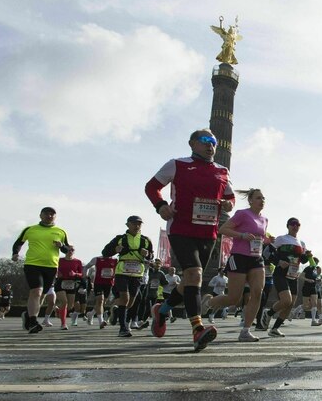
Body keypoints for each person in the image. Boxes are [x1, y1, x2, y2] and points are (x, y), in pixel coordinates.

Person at [146, 129, 234, 351]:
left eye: (213, 141)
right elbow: (152, 187)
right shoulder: (177, 164)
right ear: (192, 144)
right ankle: (197, 329)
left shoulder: (222, 171)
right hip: (181, 228)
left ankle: (162, 311)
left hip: (208, 232)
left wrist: (228, 204)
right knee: (194, 275)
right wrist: (161, 206)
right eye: (205, 141)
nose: (210, 145)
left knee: (190, 280)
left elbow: (230, 197)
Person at [214, 188, 270, 342]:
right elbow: (223, 229)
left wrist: (267, 241)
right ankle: (209, 302)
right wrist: (242, 235)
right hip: (239, 257)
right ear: (250, 200)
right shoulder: (242, 214)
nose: (262, 200)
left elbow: (259, 237)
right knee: (233, 298)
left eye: (263, 198)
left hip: (256, 258)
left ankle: (246, 330)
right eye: (258, 198)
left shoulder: (264, 219)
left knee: (258, 292)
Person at [12, 206, 71, 334]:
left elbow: (67, 249)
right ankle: (33, 321)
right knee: (36, 292)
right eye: (46, 214)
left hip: (51, 266)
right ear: (40, 215)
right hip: (33, 264)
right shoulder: (30, 229)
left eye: (52, 214)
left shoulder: (60, 231)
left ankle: (28, 315)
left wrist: (62, 246)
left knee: (43, 295)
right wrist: (15, 253)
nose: (49, 216)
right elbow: (18, 243)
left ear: (55, 217)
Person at [101, 215, 154, 338]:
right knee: (125, 298)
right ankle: (123, 328)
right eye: (134, 223)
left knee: (130, 302)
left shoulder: (146, 240)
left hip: (137, 273)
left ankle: (115, 310)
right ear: (127, 225)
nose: (137, 226)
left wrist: (148, 255)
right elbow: (105, 252)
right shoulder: (120, 238)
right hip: (122, 272)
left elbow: (151, 256)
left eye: (139, 224)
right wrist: (115, 249)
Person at [265, 218, 315, 337]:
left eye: (297, 224)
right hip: (281, 274)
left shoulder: (301, 243)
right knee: (286, 300)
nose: (295, 226)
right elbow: (266, 252)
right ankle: (268, 314)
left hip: (293, 276)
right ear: (288, 226)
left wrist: (308, 256)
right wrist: (278, 261)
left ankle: (274, 329)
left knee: (290, 304)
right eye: (292, 224)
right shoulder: (281, 239)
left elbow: (302, 261)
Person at [54, 246, 83, 330]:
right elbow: (53, 269)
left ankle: (58, 311)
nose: (70, 251)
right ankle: (63, 324)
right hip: (60, 282)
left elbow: (81, 274)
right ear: (65, 251)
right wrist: (57, 273)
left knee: (70, 306)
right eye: (68, 250)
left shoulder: (77, 261)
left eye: (72, 250)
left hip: (71, 283)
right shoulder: (59, 260)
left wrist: (75, 274)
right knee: (64, 302)